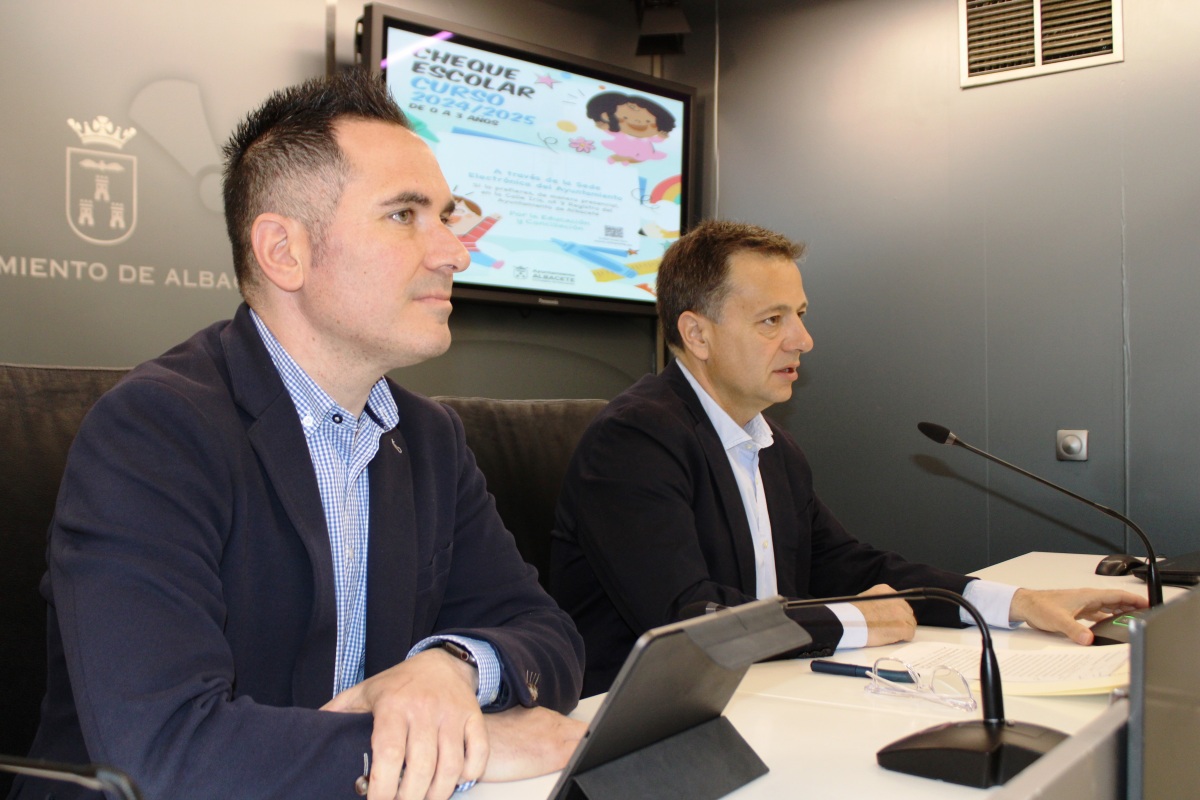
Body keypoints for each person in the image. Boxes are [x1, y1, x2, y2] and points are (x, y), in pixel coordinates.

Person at [13, 69, 585, 800]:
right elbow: (164, 751)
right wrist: (465, 747)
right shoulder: (153, 432)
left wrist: (450, 667)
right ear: (284, 251)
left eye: (447, 216)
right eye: (404, 216)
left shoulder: (429, 437)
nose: (454, 251)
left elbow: (546, 636)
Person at [549, 219, 1147, 697]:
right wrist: (857, 621)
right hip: (641, 723)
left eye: (800, 315)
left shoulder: (771, 445)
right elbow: (686, 619)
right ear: (697, 334)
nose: (802, 341)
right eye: (772, 320)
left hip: (765, 691)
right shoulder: (634, 440)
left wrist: (1016, 603)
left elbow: (849, 567)